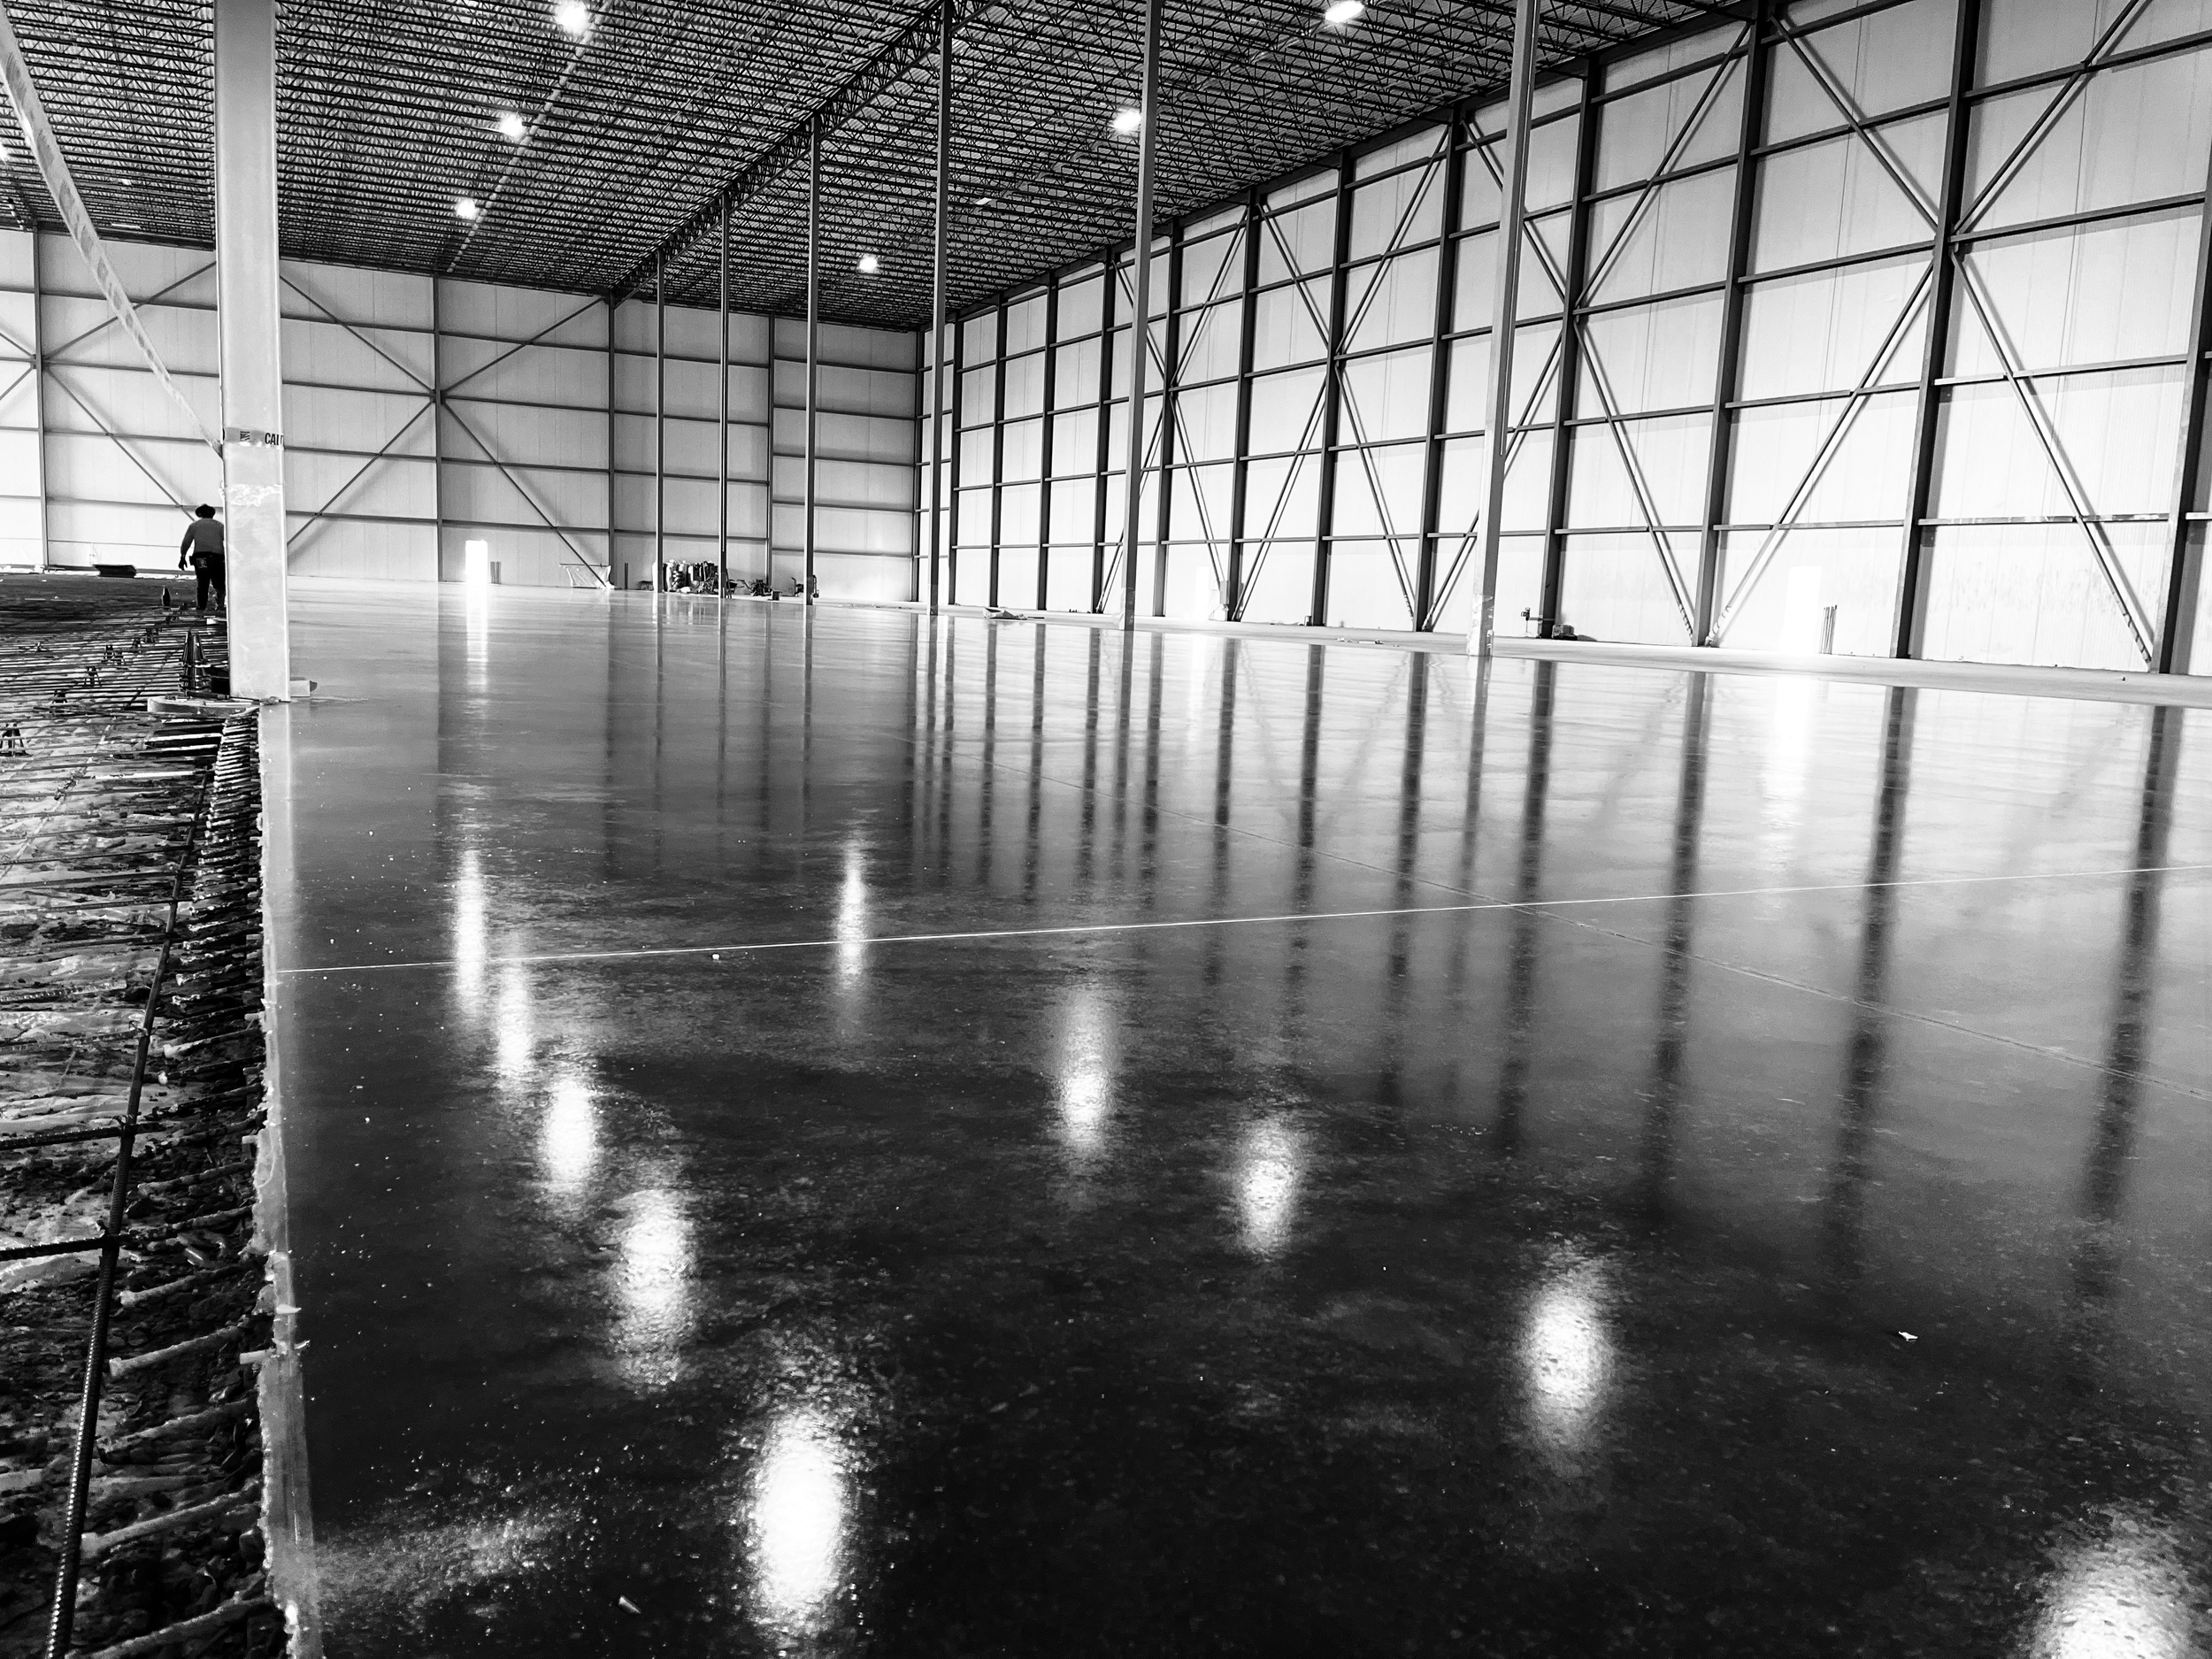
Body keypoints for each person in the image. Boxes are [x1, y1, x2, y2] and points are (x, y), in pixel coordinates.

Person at [178, 504, 227, 615]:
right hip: (218, 557)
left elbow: (186, 542)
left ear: (199, 514)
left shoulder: (194, 526)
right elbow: (228, 542)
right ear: (212, 514)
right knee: (219, 583)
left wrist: (182, 557)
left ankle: (201, 607)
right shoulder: (220, 526)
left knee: (202, 582)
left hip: (201, 557)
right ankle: (219, 606)